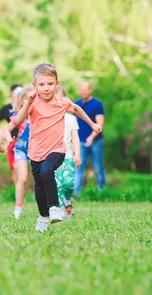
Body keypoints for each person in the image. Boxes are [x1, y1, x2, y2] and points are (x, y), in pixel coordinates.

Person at [14, 64, 101, 232]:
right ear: (35, 85)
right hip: (35, 152)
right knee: (39, 189)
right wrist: (27, 103)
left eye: (50, 84)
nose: (46, 88)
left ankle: (55, 207)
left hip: (57, 150)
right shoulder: (33, 103)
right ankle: (43, 217)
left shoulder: (62, 102)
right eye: (41, 85)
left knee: (47, 170)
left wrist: (92, 124)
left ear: (56, 83)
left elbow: (76, 110)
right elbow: (18, 120)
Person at [5, 86, 35, 219]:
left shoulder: (40, 114)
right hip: (21, 148)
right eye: (27, 98)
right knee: (22, 178)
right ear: (22, 101)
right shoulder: (20, 115)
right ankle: (18, 208)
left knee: (42, 177)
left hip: (37, 148)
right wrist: (8, 139)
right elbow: (7, 129)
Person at [74, 81, 106, 196]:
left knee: (98, 167)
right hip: (81, 141)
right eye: (81, 89)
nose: (83, 91)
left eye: (85, 89)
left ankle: (102, 192)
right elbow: (74, 124)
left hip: (96, 141)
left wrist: (91, 138)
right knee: (78, 168)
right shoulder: (76, 104)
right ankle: (75, 195)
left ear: (90, 90)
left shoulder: (97, 104)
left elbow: (100, 123)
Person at [55, 86, 82, 217]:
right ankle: (60, 210)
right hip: (53, 157)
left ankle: (67, 199)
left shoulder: (70, 118)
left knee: (68, 183)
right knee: (57, 185)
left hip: (68, 156)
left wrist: (77, 154)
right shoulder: (48, 119)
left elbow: (75, 138)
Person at [0, 84, 23, 183]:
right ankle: (18, 191)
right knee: (13, 167)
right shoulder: (6, 108)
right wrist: (1, 132)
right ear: (12, 94)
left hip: (25, 140)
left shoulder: (25, 107)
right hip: (11, 140)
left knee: (22, 168)